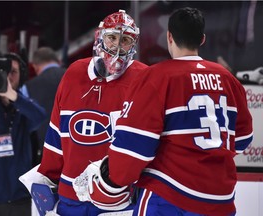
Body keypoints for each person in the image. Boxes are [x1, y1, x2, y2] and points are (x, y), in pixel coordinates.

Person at [74, 7, 253, 216]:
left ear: (169, 36)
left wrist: (111, 180)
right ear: (202, 39)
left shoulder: (157, 77)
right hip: (220, 200)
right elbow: (242, 139)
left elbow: (135, 147)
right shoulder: (228, 79)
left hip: (169, 198)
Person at [19, 9, 148, 216]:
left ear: (133, 44)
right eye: (112, 37)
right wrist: (47, 177)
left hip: (118, 200)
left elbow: (148, 144)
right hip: (71, 197)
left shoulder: (143, 78)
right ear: (99, 37)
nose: (117, 46)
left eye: (125, 40)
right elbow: (56, 134)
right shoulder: (75, 73)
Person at [0, 52, 46, 216]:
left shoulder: (23, 104)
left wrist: (10, 94)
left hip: (18, 199)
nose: (8, 76)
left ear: (22, 75)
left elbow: (40, 116)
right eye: (3, 71)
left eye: (13, 71)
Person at [22, 47, 65, 165]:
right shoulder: (77, 78)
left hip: (45, 150)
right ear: (59, 62)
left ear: (35, 66)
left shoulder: (28, 87)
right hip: (77, 145)